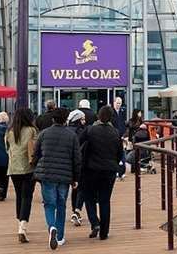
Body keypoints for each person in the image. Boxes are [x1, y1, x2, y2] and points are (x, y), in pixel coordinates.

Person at [33, 107, 81, 250]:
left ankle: (52, 227)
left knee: (49, 204)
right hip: (65, 175)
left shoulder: (44, 134)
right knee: (61, 205)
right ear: (66, 120)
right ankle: (59, 237)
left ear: (53, 119)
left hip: (47, 173)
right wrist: (76, 178)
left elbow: (36, 154)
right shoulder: (71, 136)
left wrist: (36, 170)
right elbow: (77, 159)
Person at [79, 105, 123, 240]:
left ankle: (95, 222)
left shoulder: (90, 130)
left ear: (98, 116)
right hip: (109, 170)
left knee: (88, 197)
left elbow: (79, 143)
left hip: (91, 169)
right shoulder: (115, 132)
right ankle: (104, 232)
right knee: (105, 200)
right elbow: (120, 153)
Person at [6, 107, 38, 243]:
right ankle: (23, 226)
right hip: (28, 167)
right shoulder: (32, 130)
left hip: (13, 168)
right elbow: (36, 148)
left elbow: (7, 149)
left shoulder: (10, 131)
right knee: (27, 196)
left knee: (19, 195)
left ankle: (20, 223)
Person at [67, 109, 87, 227]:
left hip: (67, 164)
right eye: (83, 119)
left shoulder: (66, 131)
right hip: (80, 164)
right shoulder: (81, 132)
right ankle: (76, 210)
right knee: (81, 187)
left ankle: (74, 210)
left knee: (73, 188)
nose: (84, 121)